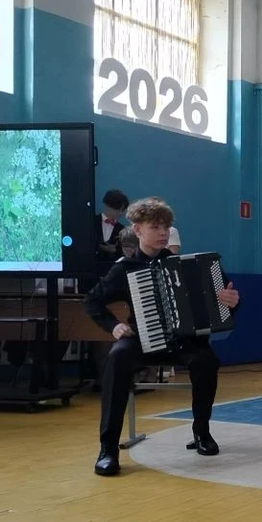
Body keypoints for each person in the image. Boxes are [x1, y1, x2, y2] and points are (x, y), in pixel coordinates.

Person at [83, 197, 240, 476]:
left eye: (166, 227)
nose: (163, 233)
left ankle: (201, 432)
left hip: (184, 341)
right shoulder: (125, 268)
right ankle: (108, 448)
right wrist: (113, 326)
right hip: (142, 340)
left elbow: (222, 304)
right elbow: (92, 301)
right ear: (137, 229)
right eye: (155, 227)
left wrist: (232, 302)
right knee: (117, 356)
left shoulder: (188, 265)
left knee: (206, 360)